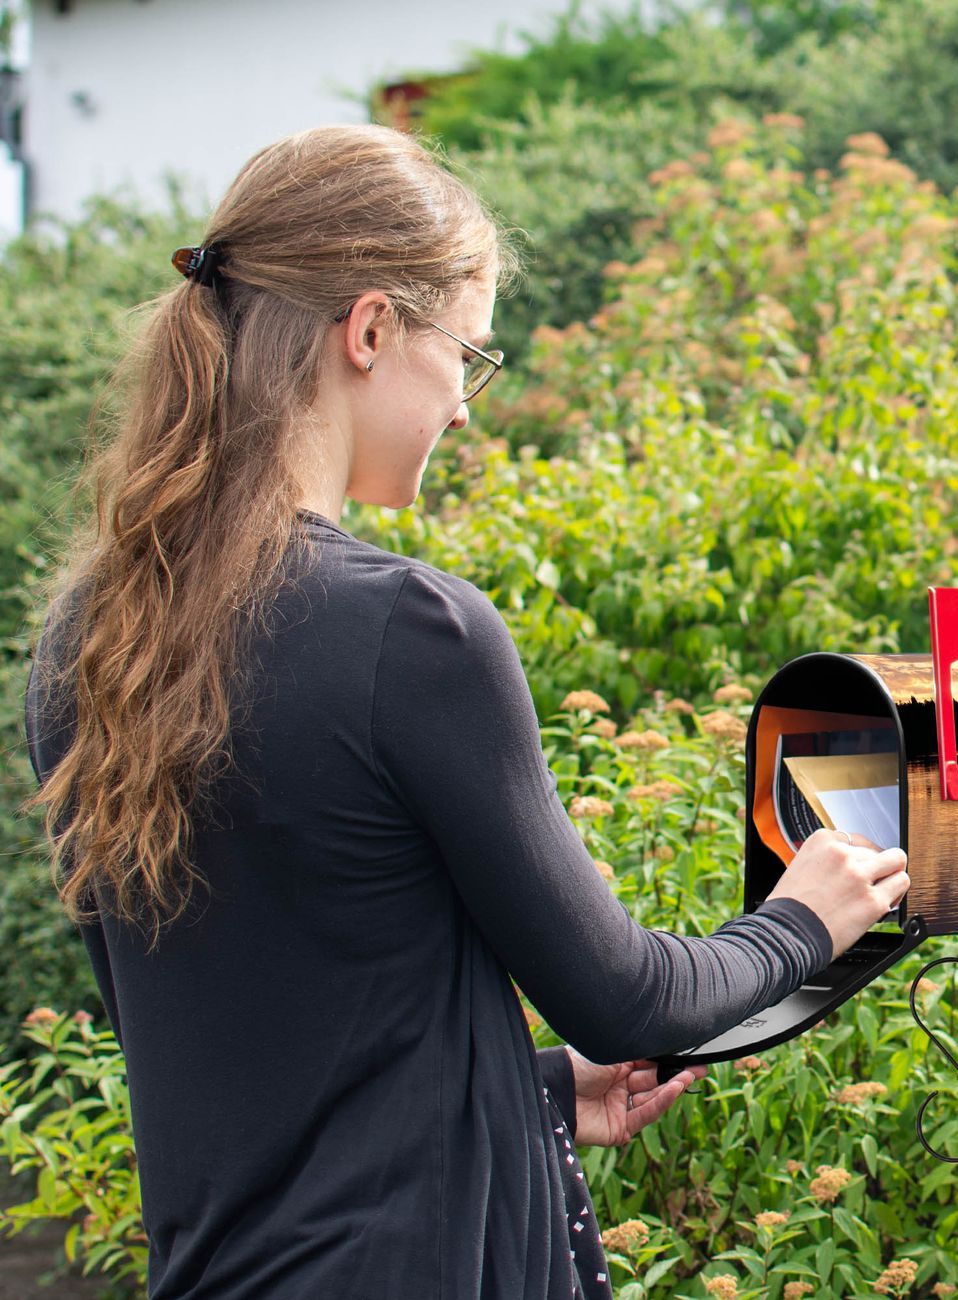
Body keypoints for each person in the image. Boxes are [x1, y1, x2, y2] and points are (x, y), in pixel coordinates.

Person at [22, 124, 910, 1300]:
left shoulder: (87, 640)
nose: (465, 409)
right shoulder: (406, 630)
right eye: (467, 355)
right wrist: (802, 919)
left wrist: (527, 1087)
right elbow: (628, 995)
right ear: (370, 329)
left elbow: (235, 1045)